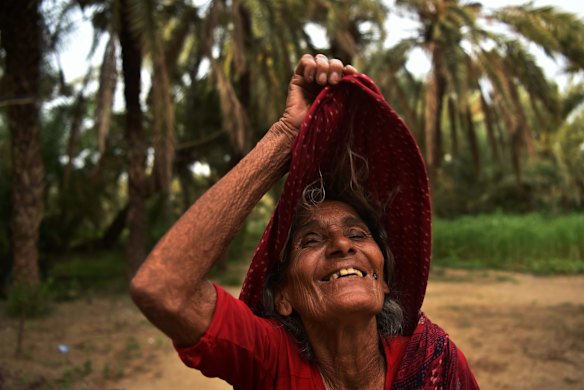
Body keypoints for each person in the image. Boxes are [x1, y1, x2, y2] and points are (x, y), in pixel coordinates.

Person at [130, 54, 479, 389]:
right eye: (311, 240)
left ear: (383, 278)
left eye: (357, 233)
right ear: (283, 297)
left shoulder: (433, 361)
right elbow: (162, 288)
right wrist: (285, 134)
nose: (343, 245)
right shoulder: (269, 363)